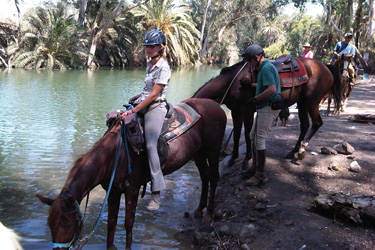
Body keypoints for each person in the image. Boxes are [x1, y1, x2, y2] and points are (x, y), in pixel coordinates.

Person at [122, 29, 170, 211]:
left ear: (160, 47)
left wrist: (134, 109)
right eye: (146, 46)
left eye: (151, 46)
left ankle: (156, 192)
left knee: (150, 144)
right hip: (143, 102)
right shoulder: (150, 64)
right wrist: (136, 98)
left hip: (155, 107)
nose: (148, 49)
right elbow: (146, 90)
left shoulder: (164, 67)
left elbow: (154, 95)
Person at [242, 44, 282, 186]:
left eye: (250, 61)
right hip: (264, 106)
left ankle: (261, 174)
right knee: (253, 136)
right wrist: (251, 85)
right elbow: (263, 85)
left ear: (257, 57)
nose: (249, 64)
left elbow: (271, 89)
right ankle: (255, 167)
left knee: (259, 139)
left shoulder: (265, 68)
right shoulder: (265, 68)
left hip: (268, 106)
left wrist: (255, 99)